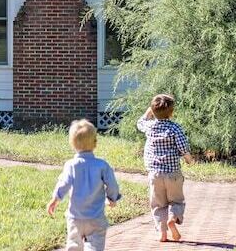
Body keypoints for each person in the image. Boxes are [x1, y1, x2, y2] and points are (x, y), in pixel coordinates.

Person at [47, 119, 121, 251]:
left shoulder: (71, 165)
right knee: (95, 245)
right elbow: (112, 184)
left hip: (75, 216)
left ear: (72, 143)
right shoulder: (102, 165)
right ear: (95, 143)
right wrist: (112, 198)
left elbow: (63, 184)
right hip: (96, 217)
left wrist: (55, 199)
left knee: (74, 243)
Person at [137, 94, 194, 242]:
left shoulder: (149, 126)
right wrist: (189, 160)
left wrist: (149, 111)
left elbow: (140, 122)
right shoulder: (174, 128)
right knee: (176, 201)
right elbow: (183, 148)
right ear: (172, 112)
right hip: (173, 173)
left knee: (158, 204)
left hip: (155, 174)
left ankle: (162, 233)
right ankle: (172, 218)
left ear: (153, 111)